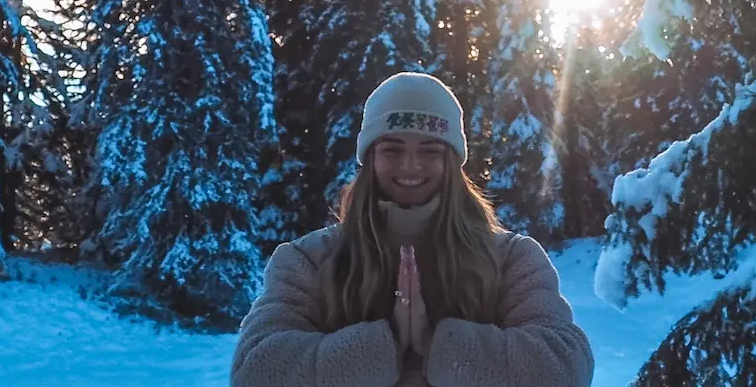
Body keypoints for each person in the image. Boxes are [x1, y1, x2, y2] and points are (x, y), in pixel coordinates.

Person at [231, 71, 594, 387]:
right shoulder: (307, 260)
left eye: (430, 150)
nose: (410, 166)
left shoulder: (513, 258)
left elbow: (566, 365)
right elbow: (254, 369)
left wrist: (435, 342)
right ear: (369, 158)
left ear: (453, 162)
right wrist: (381, 346)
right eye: (392, 149)